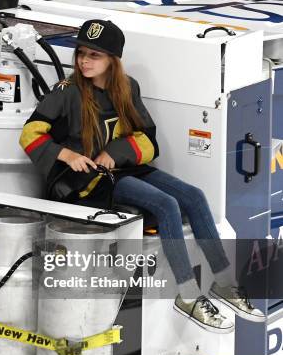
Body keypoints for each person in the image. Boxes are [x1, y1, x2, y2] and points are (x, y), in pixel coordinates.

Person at [19, 19, 265, 333]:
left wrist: (117, 152)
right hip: (87, 182)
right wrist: (67, 155)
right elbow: (31, 134)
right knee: (166, 204)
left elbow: (147, 138)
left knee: (194, 196)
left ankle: (225, 284)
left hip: (122, 168)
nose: (84, 61)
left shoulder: (127, 87)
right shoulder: (65, 92)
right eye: (82, 53)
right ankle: (188, 295)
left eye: (94, 55)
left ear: (112, 60)